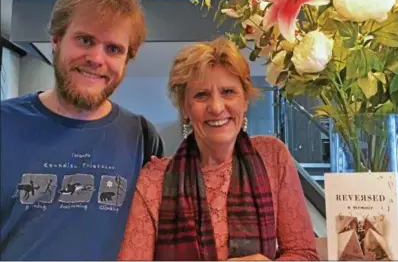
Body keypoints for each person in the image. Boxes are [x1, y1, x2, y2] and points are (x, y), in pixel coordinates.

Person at [1, 0, 163, 261]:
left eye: (113, 49)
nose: (97, 59)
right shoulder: (5, 125)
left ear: (127, 60)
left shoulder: (141, 138)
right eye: (85, 40)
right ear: (56, 40)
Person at [118, 37, 319, 261]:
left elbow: (304, 254)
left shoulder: (273, 156)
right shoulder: (153, 180)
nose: (216, 107)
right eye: (201, 95)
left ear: (245, 101)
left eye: (228, 92)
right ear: (185, 108)